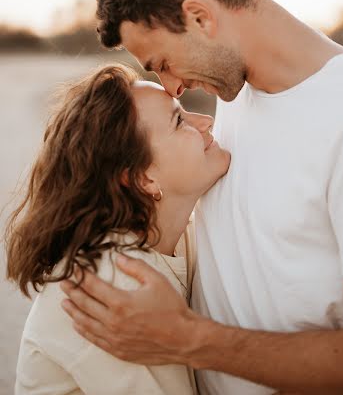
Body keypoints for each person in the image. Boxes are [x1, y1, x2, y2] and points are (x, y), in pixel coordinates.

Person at [61, 0, 343, 394]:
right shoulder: (236, 87)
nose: (172, 88)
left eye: (161, 63)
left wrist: (186, 340)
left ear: (200, 17)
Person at [6, 63, 230, 395]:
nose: (205, 121)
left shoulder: (176, 237)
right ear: (143, 177)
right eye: (179, 121)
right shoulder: (113, 281)